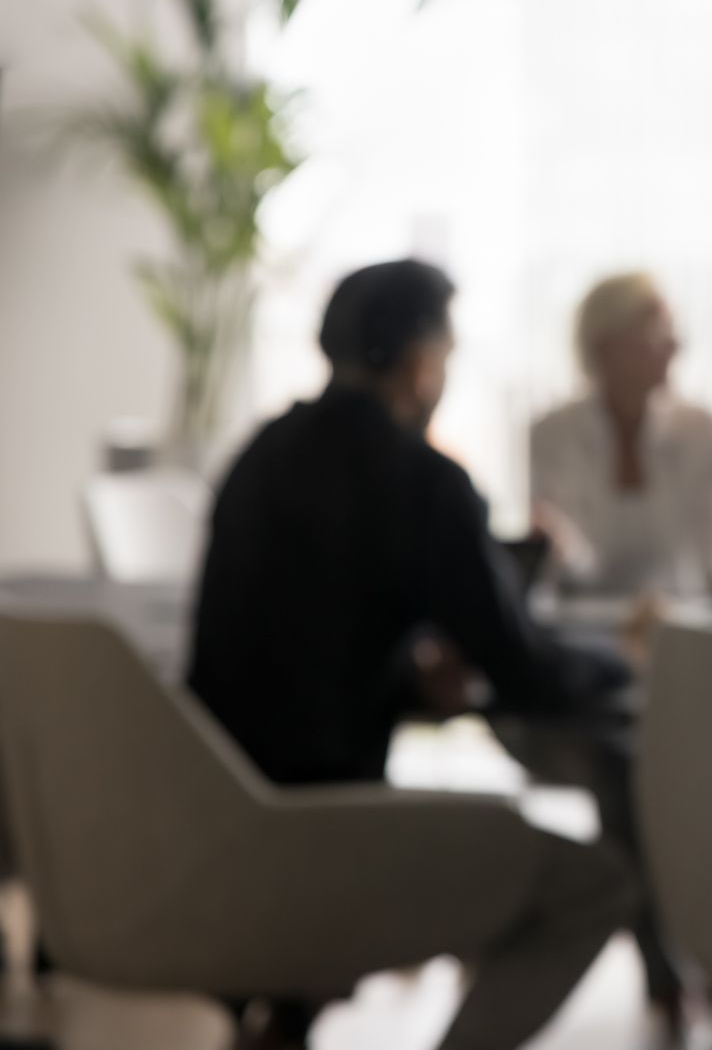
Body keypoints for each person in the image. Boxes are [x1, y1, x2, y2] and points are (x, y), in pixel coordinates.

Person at [188, 260, 636, 1050]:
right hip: (329, 842)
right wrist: (631, 654)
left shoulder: (256, 458)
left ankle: (285, 1017)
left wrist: (399, 680)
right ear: (423, 362)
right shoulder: (422, 479)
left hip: (215, 833)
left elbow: (281, 652)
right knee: (595, 885)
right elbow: (525, 670)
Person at [531, 272, 712, 612]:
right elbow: (571, 566)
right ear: (605, 346)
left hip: (685, 629)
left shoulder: (706, 431)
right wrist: (555, 547)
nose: (675, 345)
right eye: (657, 331)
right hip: (582, 632)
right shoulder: (551, 433)